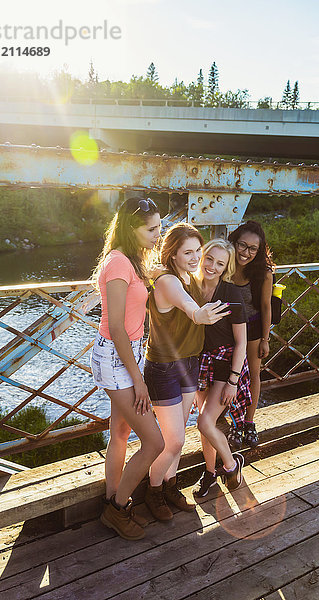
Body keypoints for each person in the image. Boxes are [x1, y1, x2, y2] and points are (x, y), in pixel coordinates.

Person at [144, 223, 230, 521]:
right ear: (173, 253)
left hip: (189, 364)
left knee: (175, 438)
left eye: (198, 251)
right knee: (176, 440)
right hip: (164, 367)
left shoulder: (188, 276)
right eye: (188, 252)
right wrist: (199, 314)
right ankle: (153, 491)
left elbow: (200, 286)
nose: (195, 258)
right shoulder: (166, 279)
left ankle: (170, 486)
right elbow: (188, 306)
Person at [90, 197, 165, 541]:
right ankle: (118, 509)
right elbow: (117, 326)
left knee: (120, 433)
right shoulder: (118, 263)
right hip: (117, 359)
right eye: (151, 229)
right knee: (154, 442)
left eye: (160, 227)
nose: (158, 235)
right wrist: (139, 381)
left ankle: (111, 498)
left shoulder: (131, 260)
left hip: (125, 354)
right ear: (129, 228)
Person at [193, 239, 251, 498]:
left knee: (204, 421)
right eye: (209, 259)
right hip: (199, 363)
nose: (212, 267)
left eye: (220, 263)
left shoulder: (231, 294)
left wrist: (233, 381)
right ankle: (209, 472)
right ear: (201, 257)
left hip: (226, 364)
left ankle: (231, 465)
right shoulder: (190, 288)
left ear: (226, 267)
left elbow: (242, 342)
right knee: (208, 422)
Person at [227, 220, 274, 449]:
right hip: (225, 328)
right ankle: (232, 422)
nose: (246, 253)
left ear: (259, 250)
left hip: (252, 328)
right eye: (242, 246)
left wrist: (265, 339)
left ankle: (248, 422)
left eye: (253, 248)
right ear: (234, 242)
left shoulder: (263, 273)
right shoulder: (223, 264)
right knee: (229, 375)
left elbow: (266, 307)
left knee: (253, 374)